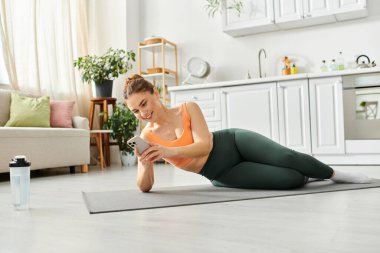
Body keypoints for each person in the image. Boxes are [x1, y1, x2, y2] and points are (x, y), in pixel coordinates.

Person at [123, 74, 371, 193]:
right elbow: (145, 188)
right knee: (291, 180)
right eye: (135, 110)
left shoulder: (188, 108)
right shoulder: (148, 137)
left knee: (286, 156)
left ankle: (336, 174)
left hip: (232, 142)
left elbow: (205, 146)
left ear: (155, 93)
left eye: (144, 104)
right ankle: (310, 174)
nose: (142, 113)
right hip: (221, 172)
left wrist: (169, 151)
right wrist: (145, 164)